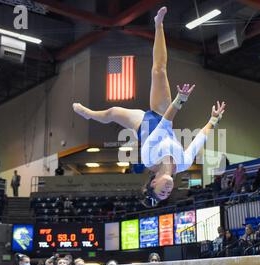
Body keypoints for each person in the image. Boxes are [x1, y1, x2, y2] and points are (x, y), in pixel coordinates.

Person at [73, 7, 226, 207]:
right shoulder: (184, 162)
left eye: (161, 191)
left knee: (112, 112)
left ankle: (89, 114)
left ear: (153, 182)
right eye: (167, 194)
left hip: (144, 124)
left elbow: (163, 125)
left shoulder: (148, 158)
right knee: (159, 71)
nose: (167, 191)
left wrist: (180, 100)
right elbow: (199, 138)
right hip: (161, 113)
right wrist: (213, 120)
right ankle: (159, 24)